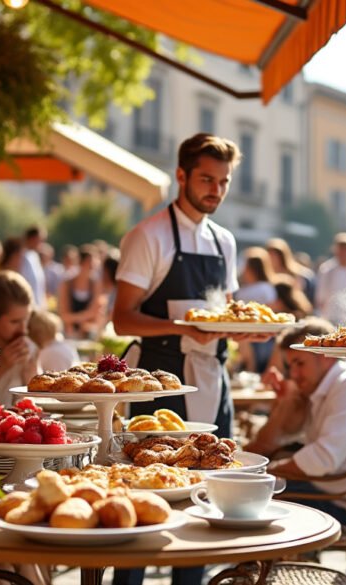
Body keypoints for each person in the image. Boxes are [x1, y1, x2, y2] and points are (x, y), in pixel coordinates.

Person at [111, 134, 251, 585]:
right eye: (207, 179)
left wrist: (246, 329)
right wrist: (182, 327)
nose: (216, 189)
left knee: (206, 499)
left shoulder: (224, 241)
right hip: (161, 385)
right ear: (181, 176)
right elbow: (122, 319)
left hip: (215, 377)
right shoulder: (147, 236)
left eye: (224, 181)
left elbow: (227, 310)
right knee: (143, 498)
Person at [245, 320, 346, 525]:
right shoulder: (320, 387)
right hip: (325, 489)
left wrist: (262, 474)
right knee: (246, 489)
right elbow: (271, 442)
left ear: (326, 357)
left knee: (245, 497)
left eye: (300, 363)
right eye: (290, 366)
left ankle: (260, 556)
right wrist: (286, 401)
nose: (293, 374)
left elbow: (322, 459)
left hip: (345, 504)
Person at [0, 271, 39, 405]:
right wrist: (2, 365)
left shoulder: (28, 347)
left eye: (26, 319)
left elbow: (35, 407)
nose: (23, 329)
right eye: (15, 322)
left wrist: (32, 378)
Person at [234, 247, 278, 374]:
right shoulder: (267, 288)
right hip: (253, 335)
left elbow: (270, 312)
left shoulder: (263, 288)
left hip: (258, 337)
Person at [58, 245, 101, 338]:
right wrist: (82, 318)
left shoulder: (96, 285)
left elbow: (94, 312)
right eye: (89, 262)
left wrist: (74, 319)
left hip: (88, 334)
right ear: (81, 262)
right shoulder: (67, 284)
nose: (92, 266)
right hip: (68, 333)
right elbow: (63, 314)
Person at [19, 226, 47, 309]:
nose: (41, 243)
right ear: (32, 238)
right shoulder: (20, 256)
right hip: (26, 307)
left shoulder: (34, 256)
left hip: (38, 307)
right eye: (40, 240)